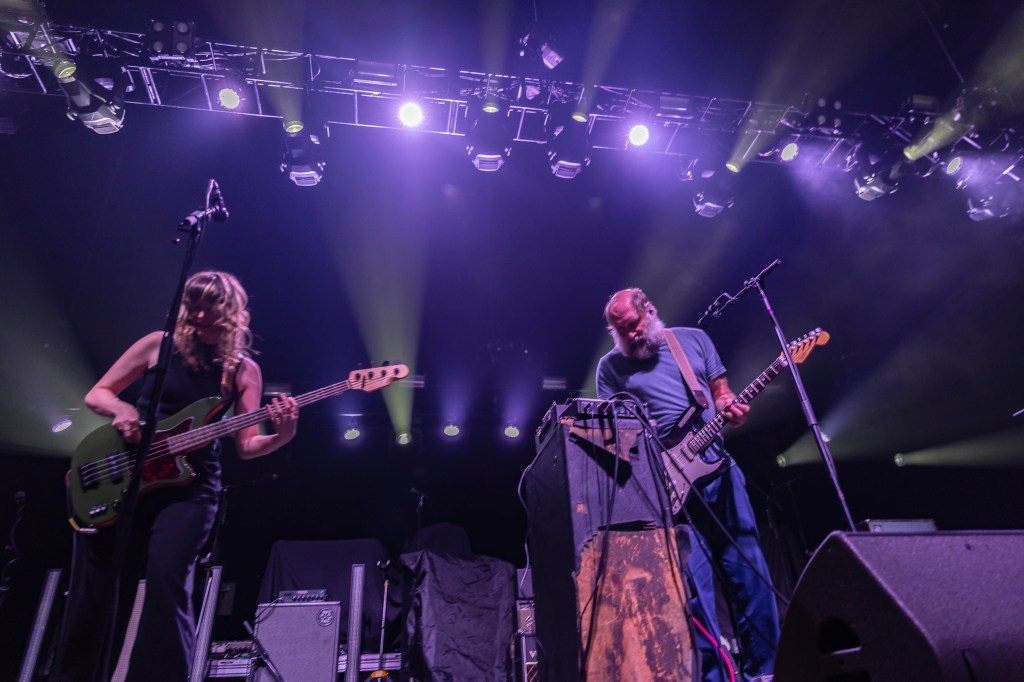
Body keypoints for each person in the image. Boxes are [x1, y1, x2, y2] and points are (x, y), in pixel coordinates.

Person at [52, 271, 300, 682]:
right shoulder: (158, 345)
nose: (200, 314)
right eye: (193, 304)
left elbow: (247, 445)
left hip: (191, 490)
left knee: (167, 584)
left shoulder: (242, 371)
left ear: (232, 311)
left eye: (210, 306)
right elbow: (98, 393)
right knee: (99, 586)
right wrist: (122, 410)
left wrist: (285, 432)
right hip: (127, 476)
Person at [595, 287, 779, 682]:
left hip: (718, 472)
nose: (631, 336)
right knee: (691, 594)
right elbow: (616, 437)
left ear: (650, 309)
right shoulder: (609, 369)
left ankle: (766, 670)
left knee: (749, 570)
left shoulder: (693, 341)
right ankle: (714, 676)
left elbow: (722, 394)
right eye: (621, 331)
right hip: (667, 489)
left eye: (634, 325)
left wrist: (733, 408)